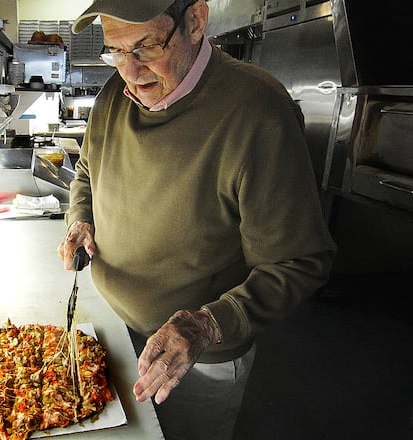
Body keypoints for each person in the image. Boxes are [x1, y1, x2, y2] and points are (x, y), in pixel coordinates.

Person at [57, 0, 337, 439]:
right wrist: (80, 217)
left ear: (194, 22)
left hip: (194, 361)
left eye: (147, 46)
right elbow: (88, 171)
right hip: (112, 328)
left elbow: (300, 261)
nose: (131, 71)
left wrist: (207, 324)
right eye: (116, 50)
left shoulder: (259, 112)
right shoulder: (115, 93)